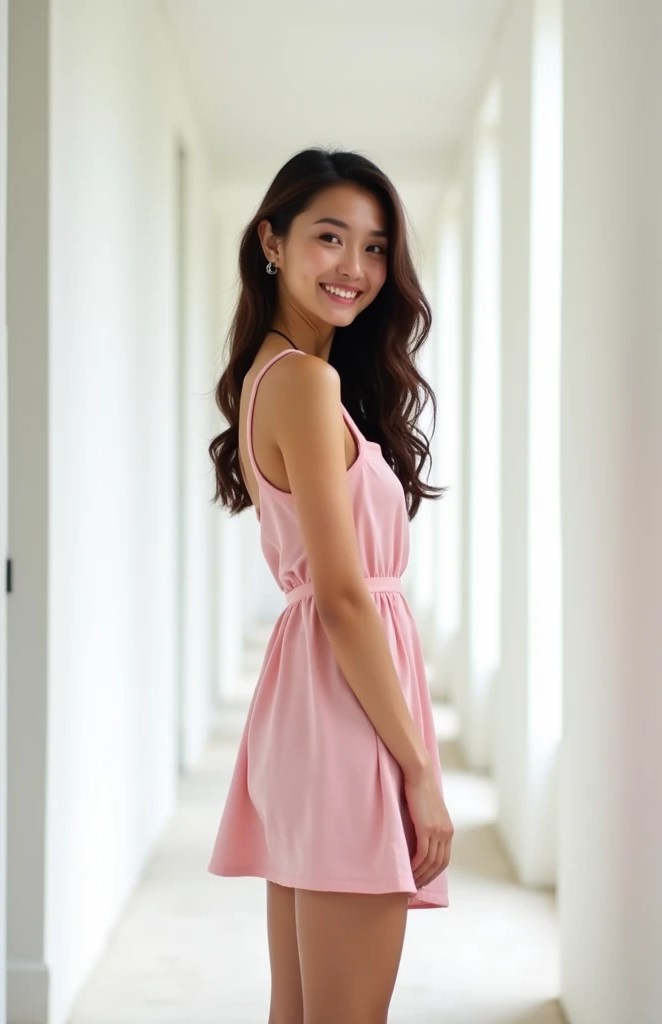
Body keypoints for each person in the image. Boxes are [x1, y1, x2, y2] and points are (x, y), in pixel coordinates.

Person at [207, 147, 453, 1024]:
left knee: (303, 1010)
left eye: (377, 247)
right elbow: (346, 598)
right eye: (330, 238)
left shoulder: (280, 377)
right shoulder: (305, 382)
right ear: (272, 242)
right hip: (345, 714)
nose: (355, 268)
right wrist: (421, 772)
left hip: (316, 706)